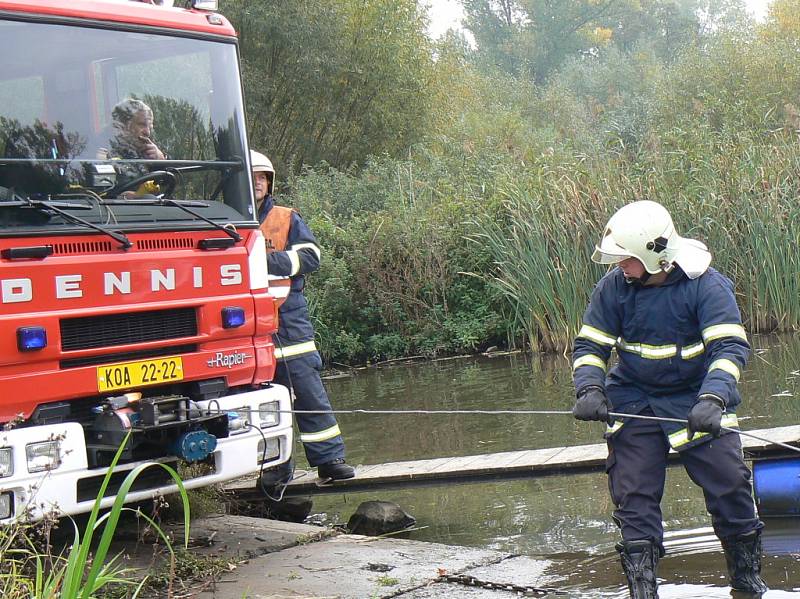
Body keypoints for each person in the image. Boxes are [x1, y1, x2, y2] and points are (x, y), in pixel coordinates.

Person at [571, 200, 767, 598]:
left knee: (730, 484)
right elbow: (590, 346)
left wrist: (713, 398)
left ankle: (747, 584)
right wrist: (590, 388)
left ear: (653, 254)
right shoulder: (613, 288)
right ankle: (643, 591)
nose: (620, 265)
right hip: (633, 401)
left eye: (626, 258)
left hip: (698, 400)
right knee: (633, 496)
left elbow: (729, 348)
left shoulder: (707, 286)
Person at [251, 149, 355, 484]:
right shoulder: (224, 220)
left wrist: (267, 263)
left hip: (289, 318)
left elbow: (310, 256)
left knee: (307, 389)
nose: (257, 183)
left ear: (269, 183)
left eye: (262, 177)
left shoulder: (285, 218)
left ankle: (329, 460)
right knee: (263, 402)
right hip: (247, 325)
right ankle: (275, 472)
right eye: (252, 177)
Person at [97, 98, 165, 161]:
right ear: (123, 125)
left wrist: (160, 160)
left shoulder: (147, 150)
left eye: (150, 127)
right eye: (141, 125)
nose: (147, 132)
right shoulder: (102, 148)